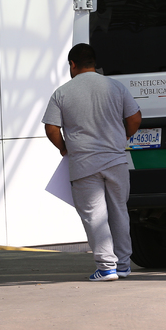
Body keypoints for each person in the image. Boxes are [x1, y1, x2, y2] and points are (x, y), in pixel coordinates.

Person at [42, 43, 142, 282]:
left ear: (72, 64)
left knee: (95, 215)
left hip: (84, 163)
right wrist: (123, 137)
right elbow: (135, 117)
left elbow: (51, 127)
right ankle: (123, 264)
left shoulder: (63, 92)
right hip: (116, 160)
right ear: (94, 63)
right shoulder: (115, 86)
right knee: (119, 211)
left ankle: (107, 267)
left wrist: (64, 147)